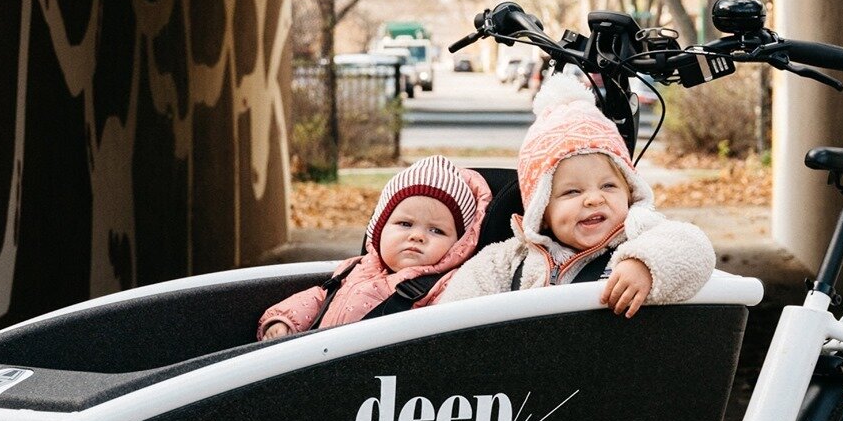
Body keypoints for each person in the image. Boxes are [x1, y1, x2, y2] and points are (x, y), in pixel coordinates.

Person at [437, 75, 713, 314]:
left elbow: (693, 248)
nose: (594, 199)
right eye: (572, 192)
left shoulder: (641, 235)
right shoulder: (508, 260)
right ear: (541, 210)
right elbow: (451, 314)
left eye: (608, 186)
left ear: (629, 191)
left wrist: (644, 265)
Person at [258, 155, 492, 339]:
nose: (417, 236)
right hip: (320, 364)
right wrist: (284, 320)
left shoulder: (445, 286)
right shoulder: (354, 268)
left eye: (436, 230)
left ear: (457, 245)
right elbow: (320, 298)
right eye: (404, 224)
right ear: (379, 229)